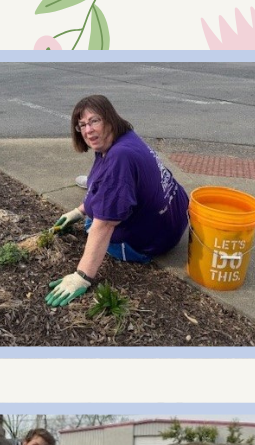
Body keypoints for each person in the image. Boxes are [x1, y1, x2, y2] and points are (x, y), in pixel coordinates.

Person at [46, 94, 189, 308]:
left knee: (93, 224)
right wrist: (79, 211)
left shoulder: (119, 158)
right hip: (175, 218)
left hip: (152, 241)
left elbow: (104, 226)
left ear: (109, 118)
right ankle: (95, 191)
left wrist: (81, 276)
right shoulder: (124, 138)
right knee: (102, 197)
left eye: (94, 121)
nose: (88, 130)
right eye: (82, 125)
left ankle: (99, 199)